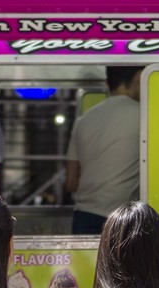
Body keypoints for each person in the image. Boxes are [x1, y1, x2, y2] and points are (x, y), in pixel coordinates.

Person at [65, 66, 144, 234]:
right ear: (138, 78)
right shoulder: (144, 117)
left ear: (107, 83)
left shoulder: (84, 120)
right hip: (124, 218)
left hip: (84, 216)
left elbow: (71, 182)